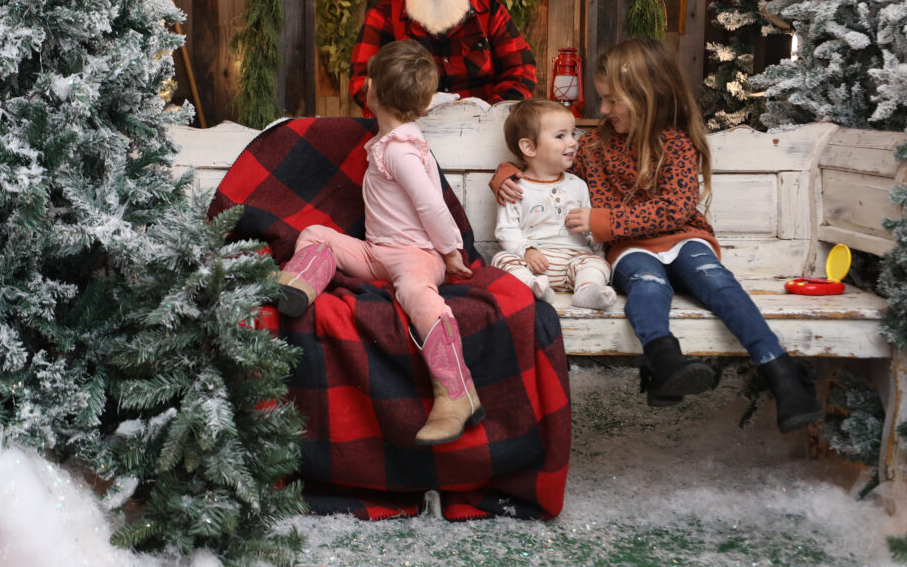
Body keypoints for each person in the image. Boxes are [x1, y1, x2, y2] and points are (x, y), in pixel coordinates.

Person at [490, 39, 824, 432]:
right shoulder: (595, 146)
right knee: (647, 284)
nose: (605, 110)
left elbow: (675, 208)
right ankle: (665, 361)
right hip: (630, 249)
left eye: (613, 101)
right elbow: (542, 162)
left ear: (646, 96)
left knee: (716, 282)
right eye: (603, 99)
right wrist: (504, 176)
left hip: (684, 236)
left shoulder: (677, 144)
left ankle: (781, 373)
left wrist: (606, 222)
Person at [277, 39, 481, 447]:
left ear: (370, 90)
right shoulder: (391, 141)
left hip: (416, 258)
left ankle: (458, 393)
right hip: (378, 253)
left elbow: (432, 204)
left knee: (417, 296)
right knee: (320, 235)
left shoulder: (402, 152)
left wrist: (450, 251)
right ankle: (294, 287)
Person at [349, 0, 537, 114]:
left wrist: (489, 112)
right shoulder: (384, 15)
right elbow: (362, 82)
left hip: (483, 130)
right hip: (410, 127)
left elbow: (521, 71)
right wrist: (412, 106)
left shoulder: (490, 12)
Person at [492, 99, 616, 311]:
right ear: (529, 147)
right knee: (500, 259)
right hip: (532, 263)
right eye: (561, 136)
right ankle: (532, 287)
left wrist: (598, 256)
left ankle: (586, 290)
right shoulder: (514, 187)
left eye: (573, 134)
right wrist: (527, 251)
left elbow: (591, 232)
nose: (573, 142)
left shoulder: (578, 185)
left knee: (598, 264)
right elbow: (506, 231)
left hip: (573, 260)